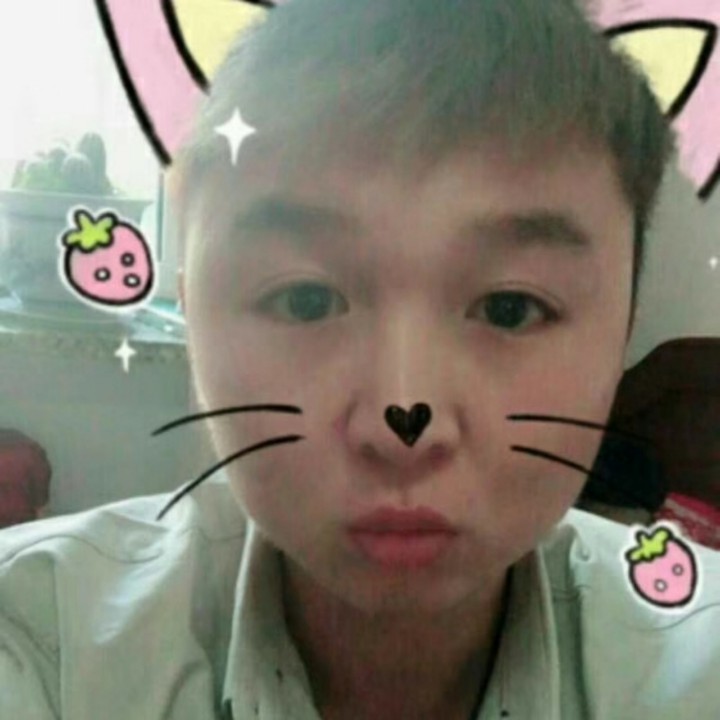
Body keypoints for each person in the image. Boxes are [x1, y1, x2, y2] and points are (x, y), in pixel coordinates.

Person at [2, 0, 719, 718]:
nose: (403, 421)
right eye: (307, 299)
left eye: (510, 308)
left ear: (624, 326)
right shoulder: (39, 641)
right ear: (192, 313)